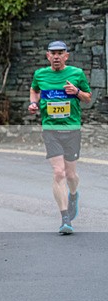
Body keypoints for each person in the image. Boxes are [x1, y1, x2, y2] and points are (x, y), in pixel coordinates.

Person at [28, 40, 91, 235]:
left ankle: (73, 195)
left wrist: (77, 92)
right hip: (51, 130)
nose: (56, 56)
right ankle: (65, 219)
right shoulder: (40, 75)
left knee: (71, 175)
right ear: (48, 56)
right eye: (52, 53)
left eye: (60, 53)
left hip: (71, 130)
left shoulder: (76, 74)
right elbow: (34, 90)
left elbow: (88, 97)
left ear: (66, 56)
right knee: (58, 172)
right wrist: (33, 103)